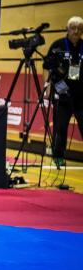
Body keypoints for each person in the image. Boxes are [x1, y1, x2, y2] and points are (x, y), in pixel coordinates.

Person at [44, 16, 83, 168]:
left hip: (81, 95)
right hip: (62, 93)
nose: (76, 31)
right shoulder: (58, 45)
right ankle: (58, 156)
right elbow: (47, 66)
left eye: (79, 28)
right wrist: (46, 86)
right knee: (60, 128)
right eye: (73, 27)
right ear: (67, 28)